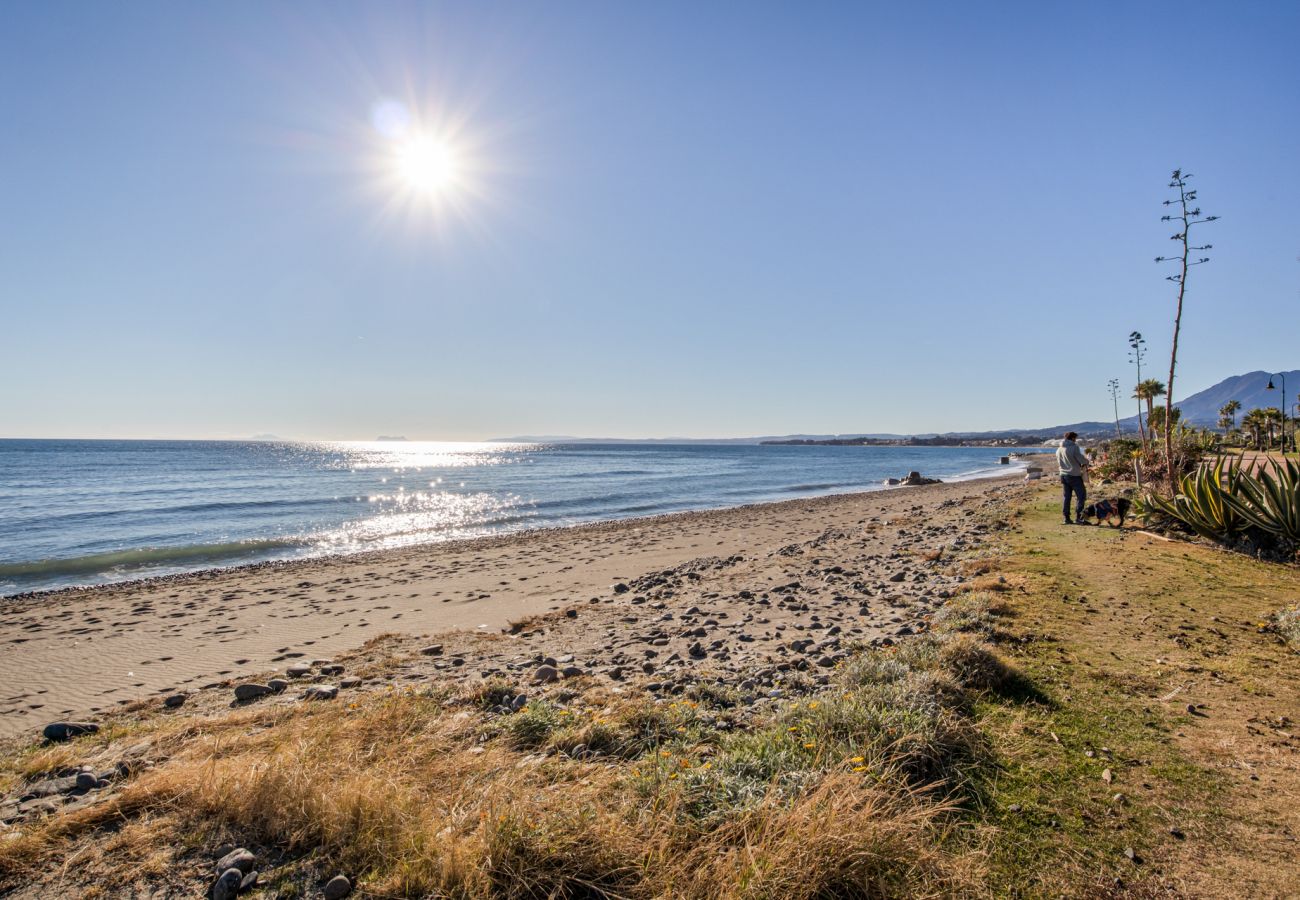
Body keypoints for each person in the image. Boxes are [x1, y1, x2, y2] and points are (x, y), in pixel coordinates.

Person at [1056, 431, 1089, 525]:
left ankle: (1066, 518)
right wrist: (1087, 461)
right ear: (1073, 438)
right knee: (1081, 496)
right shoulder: (1074, 447)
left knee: (1067, 497)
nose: (1076, 440)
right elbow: (1081, 459)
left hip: (1063, 475)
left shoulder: (1059, 449)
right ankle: (1079, 518)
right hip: (1074, 475)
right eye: (1075, 438)